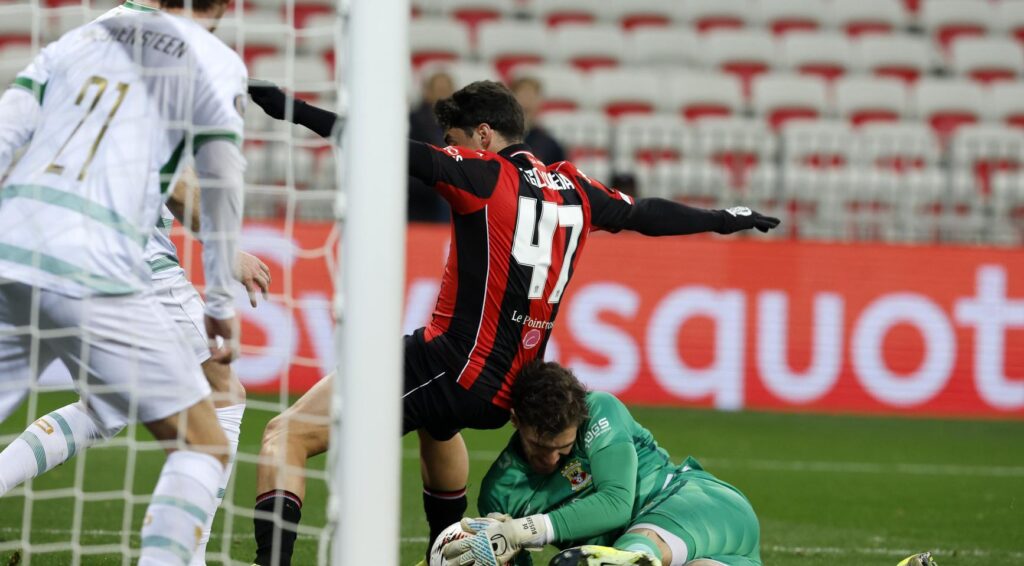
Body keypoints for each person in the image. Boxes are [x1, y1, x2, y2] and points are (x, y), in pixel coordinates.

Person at [245, 79, 780, 565]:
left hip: (455, 366)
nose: (449, 148)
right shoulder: (576, 189)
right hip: (510, 393)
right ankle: (452, 547)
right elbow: (647, 214)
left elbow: (383, 147)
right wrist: (722, 218)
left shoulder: (481, 175)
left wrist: (293, 109)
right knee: (438, 424)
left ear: (483, 134)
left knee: (283, 435)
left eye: (455, 137)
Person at [0, 1, 269, 563]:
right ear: (220, 7)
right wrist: (221, 288)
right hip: (115, 255)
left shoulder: (86, 36)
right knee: (220, 400)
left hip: (16, 241)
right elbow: (212, 185)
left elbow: (11, 122)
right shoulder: (211, 59)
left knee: (106, 404)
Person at [442, 360, 762, 566]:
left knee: (630, 550)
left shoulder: (600, 410)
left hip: (705, 508)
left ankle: (632, 559)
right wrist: (497, 556)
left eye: (564, 448)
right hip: (716, 556)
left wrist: (525, 529)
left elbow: (617, 502)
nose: (552, 459)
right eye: (540, 446)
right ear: (516, 420)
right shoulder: (500, 493)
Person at [408, 69, 454, 222]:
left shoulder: (462, 125)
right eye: (440, 90)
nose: (444, 95)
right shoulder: (413, 121)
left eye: (447, 90)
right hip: (424, 189)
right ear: (427, 92)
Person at [511, 76, 566, 165]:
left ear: (540, 101)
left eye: (531, 96)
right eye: (522, 96)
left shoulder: (550, 145)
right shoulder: (500, 140)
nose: (526, 102)